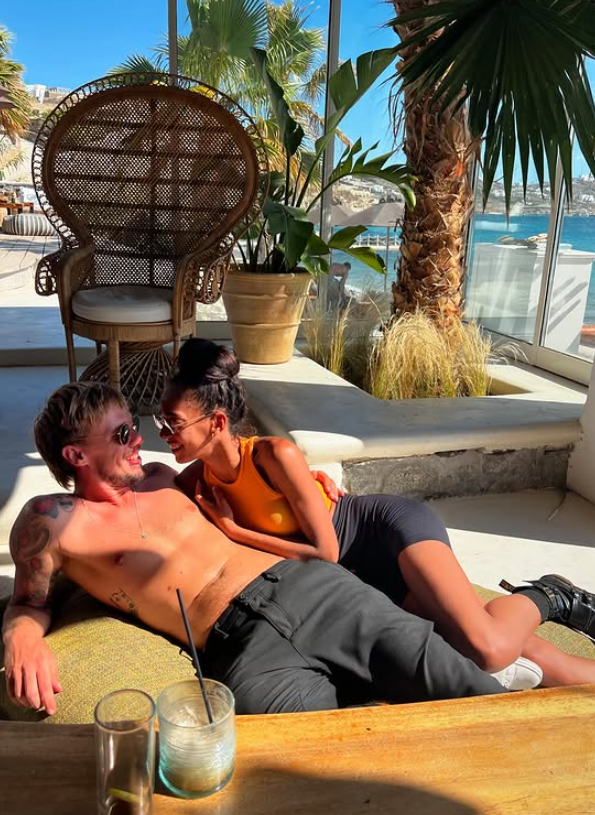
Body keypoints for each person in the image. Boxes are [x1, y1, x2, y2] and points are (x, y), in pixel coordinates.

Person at [3, 382, 515, 717]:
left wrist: (306, 478)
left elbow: (240, 467)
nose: (138, 439)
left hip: (314, 591)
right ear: (76, 454)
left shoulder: (162, 476)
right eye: (121, 434)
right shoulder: (52, 522)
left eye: (133, 427)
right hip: (242, 650)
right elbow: (28, 602)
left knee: (476, 699)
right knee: (320, 762)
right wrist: (21, 640)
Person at [156, 339, 595, 689]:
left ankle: (547, 595)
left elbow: (325, 551)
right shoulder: (198, 481)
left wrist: (232, 528)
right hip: (357, 580)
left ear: (216, 423)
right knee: (479, 645)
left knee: (488, 649)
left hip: (384, 533)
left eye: (173, 423)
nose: (164, 434)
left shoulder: (274, 455)